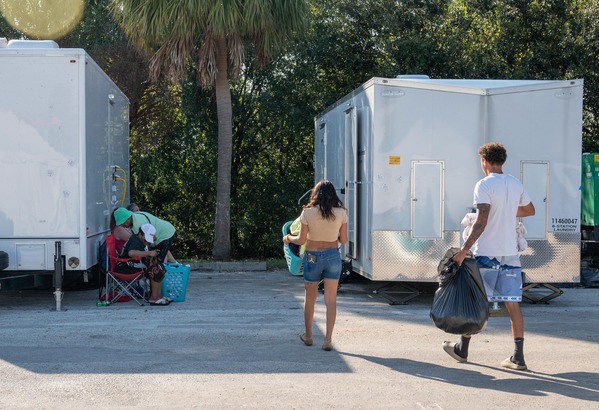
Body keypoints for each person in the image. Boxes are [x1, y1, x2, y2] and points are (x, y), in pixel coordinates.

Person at [447, 142, 535, 370]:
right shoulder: (515, 183)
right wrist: (506, 210)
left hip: (486, 253)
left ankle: (462, 349)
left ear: (484, 161)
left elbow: (482, 219)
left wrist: (464, 249)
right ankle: (518, 358)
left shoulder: (484, 185)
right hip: (510, 255)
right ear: (502, 161)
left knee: (475, 300)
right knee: (513, 306)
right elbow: (529, 210)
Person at [283, 180, 348, 351]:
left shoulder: (308, 213)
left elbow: (302, 240)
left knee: (310, 298)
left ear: (315, 194)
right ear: (333, 194)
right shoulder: (341, 213)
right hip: (333, 256)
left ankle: (309, 336)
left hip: (312, 257)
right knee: (331, 300)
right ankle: (327, 340)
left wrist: (288, 238)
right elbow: (344, 240)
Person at [115, 223, 170, 305]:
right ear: (140, 234)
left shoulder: (140, 238)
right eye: (146, 239)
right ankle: (154, 298)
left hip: (134, 264)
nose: (147, 242)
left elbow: (154, 239)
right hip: (126, 267)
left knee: (159, 267)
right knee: (154, 270)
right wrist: (149, 253)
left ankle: (158, 296)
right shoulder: (135, 240)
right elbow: (131, 253)